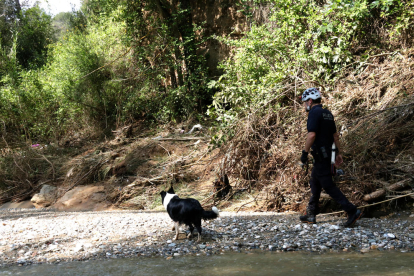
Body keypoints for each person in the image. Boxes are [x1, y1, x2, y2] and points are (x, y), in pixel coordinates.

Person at [299, 87, 362, 227]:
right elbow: (335, 136)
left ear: (309, 101)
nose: (304, 105)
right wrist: (338, 153)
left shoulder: (314, 113)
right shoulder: (327, 113)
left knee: (328, 186)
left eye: (304, 102)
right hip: (329, 154)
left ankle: (352, 211)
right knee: (315, 182)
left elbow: (312, 135)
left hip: (321, 156)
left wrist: (304, 153)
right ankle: (311, 213)